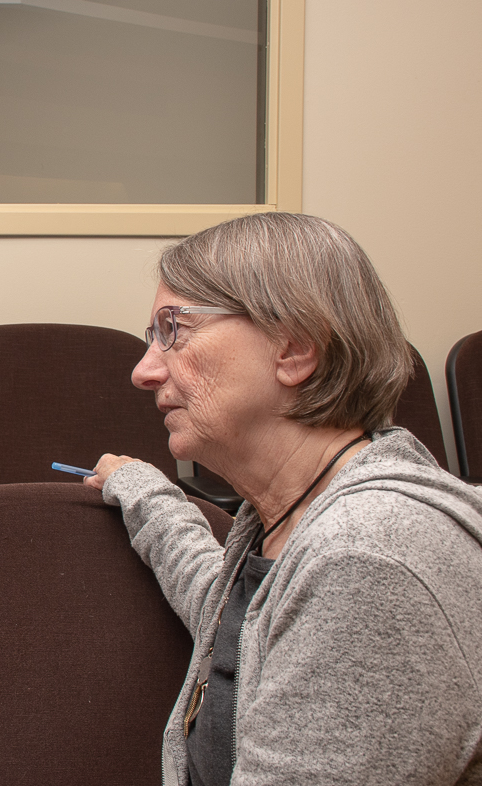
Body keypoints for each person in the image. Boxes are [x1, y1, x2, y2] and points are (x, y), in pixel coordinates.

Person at [86, 212, 482, 785]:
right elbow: (245, 629)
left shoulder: (367, 559)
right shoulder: (299, 512)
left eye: (173, 329)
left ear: (295, 349)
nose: (143, 372)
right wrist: (145, 492)